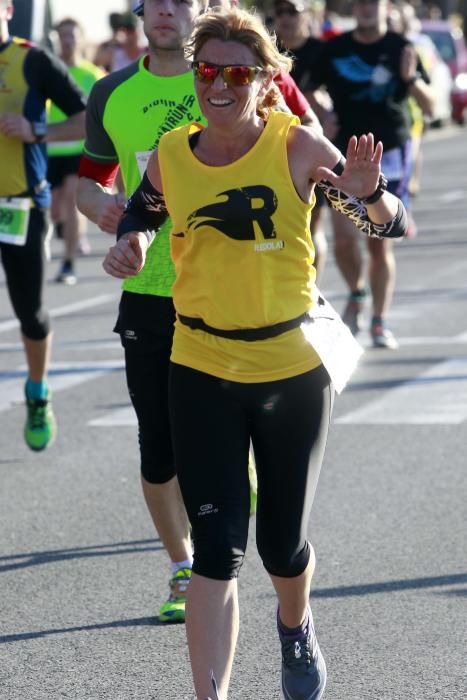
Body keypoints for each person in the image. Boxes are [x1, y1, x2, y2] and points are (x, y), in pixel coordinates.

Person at [103, 7, 408, 699]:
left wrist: (368, 196)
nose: (217, 84)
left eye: (235, 72)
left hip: (290, 370)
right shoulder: (174, 150)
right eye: (207, 70)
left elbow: (387, 220)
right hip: (201, 364)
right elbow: (145, 208)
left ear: (265, 80)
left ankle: (294, 624)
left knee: (281, 546)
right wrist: (133, 243)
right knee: (216, 552)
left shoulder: (297, 145)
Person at [77, 0, 211, 623]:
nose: (164, 10)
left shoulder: (230, 76)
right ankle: (184, 565)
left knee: (212, 436)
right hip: (149, 289)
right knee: (157, 445)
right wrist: (100, 209)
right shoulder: (111, 92)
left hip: (226, 288)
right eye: (153, 0)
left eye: (179, 0)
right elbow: (91, 178)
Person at [308, 0, 433, 348]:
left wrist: (410, 80)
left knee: (379, 245)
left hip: (389, 154)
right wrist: (321, 113)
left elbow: (431, 106)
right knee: (345, 241)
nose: (365, 8)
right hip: (344, 156)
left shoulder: (401, 48)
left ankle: (378, 320)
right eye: (360, 2)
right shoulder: (334, 50)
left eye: (372, 2)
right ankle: (357, 291)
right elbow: (306, 90)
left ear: (385, 7)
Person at [0, 0, 86, 451]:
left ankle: (37, 391)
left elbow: (87, 118)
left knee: (28, 310)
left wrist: (36, 130)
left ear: (8, 9)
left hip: (19, 206)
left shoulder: (32, 60)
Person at [272, 0, 328, 280]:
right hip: (271, 155)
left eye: (292, 10)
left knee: (310, 226)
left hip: (312, 150)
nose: (285, 18)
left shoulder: (322, 51)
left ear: (307, 14)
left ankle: (311, 289)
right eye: (279, 11)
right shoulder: (266, 53)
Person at [47, 17, 104, 284]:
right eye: (63, 35)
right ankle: (68, 235)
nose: (67, 40)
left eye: (72, 35)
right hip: (49, 147)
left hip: (80, 148)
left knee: (71, 201)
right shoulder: (47, 69)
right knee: (53, 209)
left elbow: (102, 114)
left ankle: (68, 262)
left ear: (80, 39)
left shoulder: (91, 75)